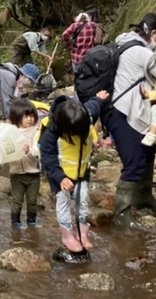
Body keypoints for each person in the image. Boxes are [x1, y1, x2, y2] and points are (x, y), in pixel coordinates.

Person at [105, 13, 156, 227]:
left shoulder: (131, 44)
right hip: (124, 112)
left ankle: (143, 197)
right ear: (154, 33)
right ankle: (122, 213)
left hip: (133, 111)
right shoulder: (140, 51)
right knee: (134, 161)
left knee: (148, 151)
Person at [38, 92, 106, 254]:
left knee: (83, 200)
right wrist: (60, 178)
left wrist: (99, 97)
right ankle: (67, 235)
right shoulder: (53, 132)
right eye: (72, 133)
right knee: (64, 203)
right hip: (60, 174)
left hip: (82, 172)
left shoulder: (84, 116)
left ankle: (83, 233)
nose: (76, 135)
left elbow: (94, 105)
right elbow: (47, 157)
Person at [8, 98, 41, 229]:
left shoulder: (36, 132)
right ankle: (15, 221)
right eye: (26, 116)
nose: (30, 119)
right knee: (17, 200)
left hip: (34, 173)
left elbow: (38, 149)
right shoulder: (10, 132)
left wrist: (30, 150)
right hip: (16, 173)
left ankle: (31, 220)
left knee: (32, 200)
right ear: (17, 117)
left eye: (32, 116)